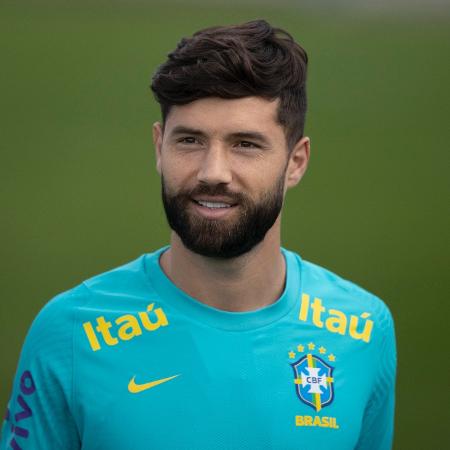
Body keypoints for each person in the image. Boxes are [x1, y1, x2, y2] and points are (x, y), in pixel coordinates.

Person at [0, 19, 396, 450]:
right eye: (189, 140)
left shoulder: (362, 330)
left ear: (296, 162)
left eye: (246, 144)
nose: (213, 173)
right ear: (159, 147)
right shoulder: (71, 334)